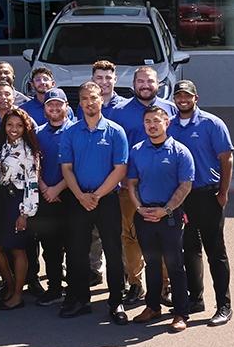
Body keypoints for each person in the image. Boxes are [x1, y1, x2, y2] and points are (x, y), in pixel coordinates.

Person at [58, 82, 130, 324]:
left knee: (113, 250)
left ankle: (116, 301)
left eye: (94, 97)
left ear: (102, 100)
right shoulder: (71, 132)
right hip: (78, 199)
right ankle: (80, 299)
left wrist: (97, 195)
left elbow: (120, 169)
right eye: (85, 99)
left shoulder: (115, 131)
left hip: (106, 199)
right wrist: (80, 195)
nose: (90, 102)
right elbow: (66, 168)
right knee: (76, 252)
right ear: (80, 103)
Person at [108, 66, 178, 304]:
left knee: (165, 238)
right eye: (140, 81)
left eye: (149, 81)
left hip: (164, 187)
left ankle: (164, 287)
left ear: (158, 83)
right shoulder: (120, 111)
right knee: (130, 236)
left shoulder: (171, 109)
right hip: (130, 188)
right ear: (133, 84)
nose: (145, 85)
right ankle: (135, 284)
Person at [168, 80, 233, 326]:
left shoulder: (212, 123)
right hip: (182, 198)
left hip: (208, 194)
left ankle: (224, 305)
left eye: (187, 96)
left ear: (196, 98)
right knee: (189, 249)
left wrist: (223, 192)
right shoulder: (170, 125)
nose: (182, 100)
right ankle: (195, 299)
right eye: (178, 96)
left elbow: (226, 159)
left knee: (215, 252)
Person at [127, 105, 194, 332]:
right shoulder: (137, 150)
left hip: (170, 216)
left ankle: (180, 313)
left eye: (157, 121)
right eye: (148, 122)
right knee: (152, 263)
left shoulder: (180, 151)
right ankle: (152, 306)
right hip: (144, 215)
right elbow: (131, 183)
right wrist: (139, 208)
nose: (152, 125)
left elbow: (185, 185)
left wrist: (166, 210)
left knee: (174, 264)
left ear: (166, 123)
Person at [0, 107, 41, 311]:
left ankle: (18, 295)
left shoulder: (28, 152)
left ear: (26, 127)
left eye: (19, 125)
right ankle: (10, 286)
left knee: (17, 249)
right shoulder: (0, 146)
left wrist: (25, 214)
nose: (14, 129)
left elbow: (32, 183)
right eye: (10, 124)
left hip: (18, 202)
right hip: (1, 200)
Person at [31, 88, 74, 307]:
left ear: (66, 106)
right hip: (45, 197)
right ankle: (55, 288)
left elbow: (78, 166)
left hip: (70, 196)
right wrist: (46, 188)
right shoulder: (37, 133)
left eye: (59, 104)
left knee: (74, 245)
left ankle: (75, 289)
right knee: (50, 247)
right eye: (50, 105)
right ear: (45, 108)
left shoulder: (76, 131)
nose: (55, 108)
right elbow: (33, 165)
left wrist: (58, 188)